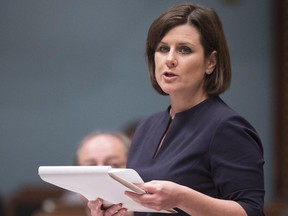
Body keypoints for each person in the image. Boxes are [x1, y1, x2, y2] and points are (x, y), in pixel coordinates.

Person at [88, 3, 265, 216]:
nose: (170, 59)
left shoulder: (226, 127)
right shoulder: (146, 127)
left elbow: (252, 211)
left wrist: (183, 198)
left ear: (211, 62)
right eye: (163, 49)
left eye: (184, 50)